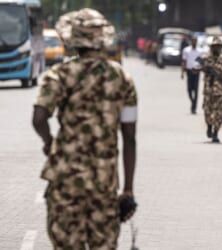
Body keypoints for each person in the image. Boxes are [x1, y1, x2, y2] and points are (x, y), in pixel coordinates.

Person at [32, 8, 138, 250]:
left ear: (73, 39)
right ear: (102, 39)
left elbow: (39, 118)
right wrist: (128, 189)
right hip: (104, 186)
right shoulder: (122, 78)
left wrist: (49, 142)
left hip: (65, 183)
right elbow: (130, 138)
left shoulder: (59, 74)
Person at [200, 36, 222, 143]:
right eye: (214, 46)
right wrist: (204, 68)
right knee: (207, 111)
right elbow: (195, 67)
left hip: (221, 90)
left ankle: (216, 133)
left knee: (219, 113)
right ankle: (209, 126)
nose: (216, 48)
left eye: (218, 46)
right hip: (208, 89)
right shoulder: (205, 58)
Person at [181, 36, 203, 114]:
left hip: (197, 71)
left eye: (195, 41)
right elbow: (184, 61)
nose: (194, 42)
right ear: (191, 41)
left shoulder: (200, 51)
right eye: (193, 41)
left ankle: (194, 107)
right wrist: (182, 72)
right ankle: (192, 101)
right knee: (189, 89)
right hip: (189, 71)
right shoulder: (186, 50)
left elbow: (202, 62)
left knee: (196, 89)